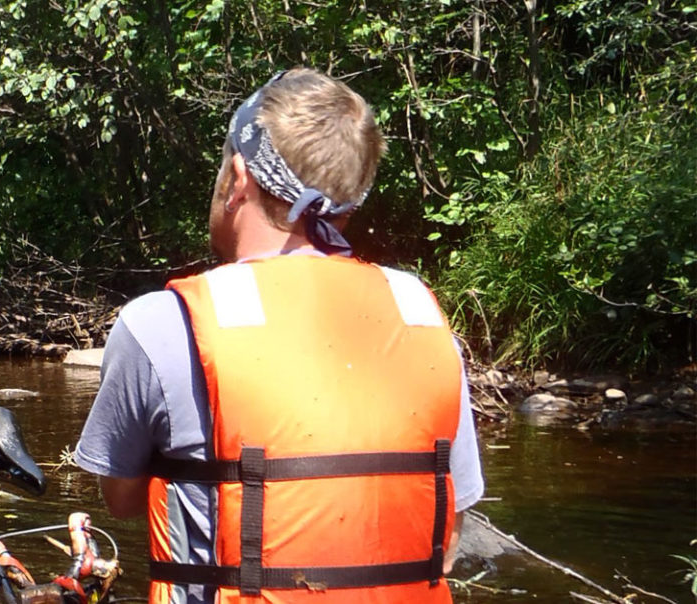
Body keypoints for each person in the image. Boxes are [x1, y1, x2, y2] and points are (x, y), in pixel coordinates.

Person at [74, 68, 484, 603]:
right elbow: (447, 530)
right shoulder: (422, 316)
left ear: (239, 177)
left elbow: (122, 499)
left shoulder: (158, 324)